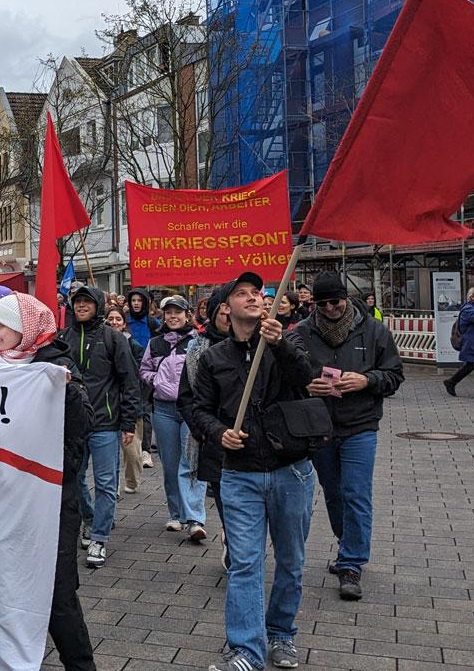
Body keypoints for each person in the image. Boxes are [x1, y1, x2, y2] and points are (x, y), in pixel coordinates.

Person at [186, 272, 317, 671]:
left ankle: (281, 635)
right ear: (226, 307)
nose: (252, 298)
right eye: (241, 294)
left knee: (291, 560)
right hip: (239, 473)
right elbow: (196, 408)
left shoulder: (285, 342)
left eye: (256, 293)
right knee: (245, 562)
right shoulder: (213, 357)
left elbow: (308, 381)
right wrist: (218, 433)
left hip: (290, 469)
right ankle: (246, 650)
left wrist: (279, 346)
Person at [0, 292, 96, 671]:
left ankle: (81, 665)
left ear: (24, 330)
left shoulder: (56, 366)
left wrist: (65, 391)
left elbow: (84, 426)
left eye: (2, 325)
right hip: (0, 495)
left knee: (57, 591)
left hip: (51, 498)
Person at [294, 271, 403, 602]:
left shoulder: (373, 330)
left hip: (360, 425)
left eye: (335, 301)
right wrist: (306, 384)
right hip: (320, 426)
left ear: (346, 298)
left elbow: (395, 374)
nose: (329, 308)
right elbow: (288, 371)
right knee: (334, 493)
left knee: (356, 492)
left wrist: (366, 381)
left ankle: (352, 563)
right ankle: (348, 543)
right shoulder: (302, 332)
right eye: (322, 303)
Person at [61, 285, 140, 568]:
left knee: (106, 484)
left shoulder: (112, 338)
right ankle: (90, 518)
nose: (81, 306)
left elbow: (129, 380)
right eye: (77, 302)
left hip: (106, 423)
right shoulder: (64, 337)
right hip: (74, 423)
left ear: (97, 305)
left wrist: (129, 421)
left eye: (86, 301)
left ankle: (99, 538)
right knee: (76, 478)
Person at [140, 294, 207, 542]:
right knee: (170, 465)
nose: (173, 316)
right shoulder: (155, 343)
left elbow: (206, 371)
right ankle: (176, 514)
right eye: (169, 312)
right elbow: (144, 369)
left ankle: (195, 519)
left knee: (190, 463)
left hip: (190, 410)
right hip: (164, 410)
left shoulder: (198, 341)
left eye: (178, 312)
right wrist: (156, 381)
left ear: (187, 314)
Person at [178, 287, 232, 570]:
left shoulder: (259, 344)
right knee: (225, 497)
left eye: (229, 310)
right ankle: (233, 541)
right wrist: (202, 428)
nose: (227, 315)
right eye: (221, 310)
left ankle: (236, 540)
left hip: (252, 441)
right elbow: (186, 398)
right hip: (214, 439)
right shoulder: (198, 348)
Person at [105, 305, 147, 494]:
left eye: (118, 319)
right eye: (111, 318)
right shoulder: (102, 341)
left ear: (124, 323)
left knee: (132, 450)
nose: (114, 322)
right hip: (108, 403)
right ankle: (112, 484)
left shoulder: (134, 345)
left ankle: (132, 481)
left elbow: (136, 378)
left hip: (130, 403)